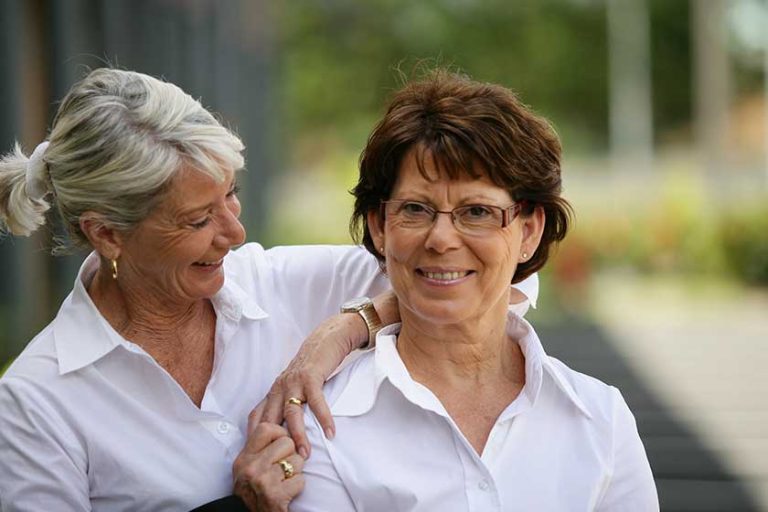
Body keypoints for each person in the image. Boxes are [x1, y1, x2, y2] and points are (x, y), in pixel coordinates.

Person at [0, 68, 539, 511]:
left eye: (230, 195)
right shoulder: (37, 402)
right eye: (196, 220)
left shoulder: (285, 284)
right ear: (108, 233)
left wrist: (348, 326)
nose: (234, 232)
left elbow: (496, 274)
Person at [289, 71, 659, 511]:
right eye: (415, 209)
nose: (442, 238)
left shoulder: (601, 419)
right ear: (379, 226)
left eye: (477, 211)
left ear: (529, 231)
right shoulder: (322, 427)